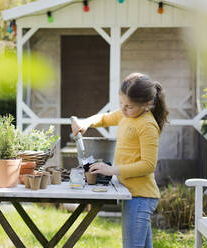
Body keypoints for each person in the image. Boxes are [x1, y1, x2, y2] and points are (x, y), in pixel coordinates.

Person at [71, 72, 169, 248]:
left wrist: (110, 170)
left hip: (141, 196)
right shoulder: (127, 115)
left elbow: (148, 165)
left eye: (129, 106)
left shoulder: (147, 125)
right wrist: (86, 123)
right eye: (121, 103)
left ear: (147, 104)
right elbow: (104, 118)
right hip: (132, 194)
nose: (123, 110)